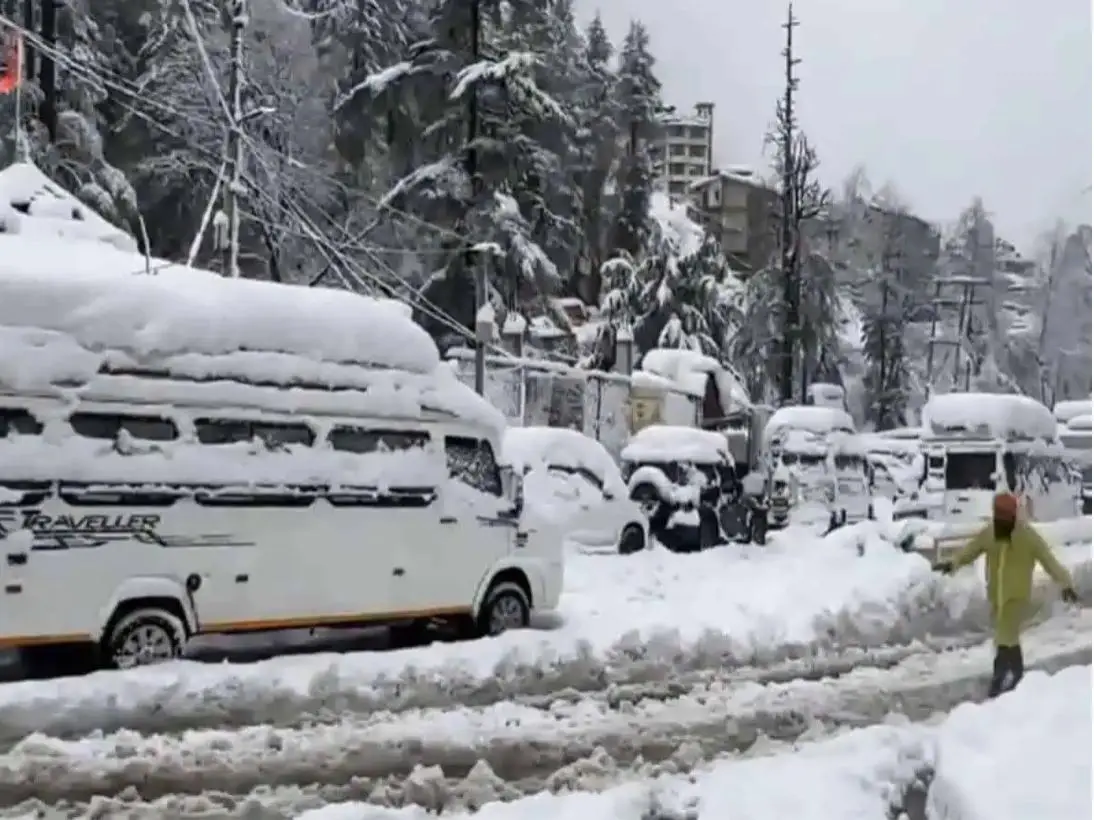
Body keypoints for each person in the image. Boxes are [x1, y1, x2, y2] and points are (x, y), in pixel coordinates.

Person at [934, 492, 1080, 698]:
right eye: (997, 517)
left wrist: (1066, 584)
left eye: (1003, 518)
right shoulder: (991, 533)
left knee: (1004, 637)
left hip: (1016, 597)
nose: (999, 522)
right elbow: (971, 550)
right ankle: (1018, 675)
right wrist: (952, 563)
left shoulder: (1027, 537)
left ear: (1012, 517)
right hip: (996, 595)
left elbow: (1050, 561)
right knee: (1008, 639)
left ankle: (999, 681)